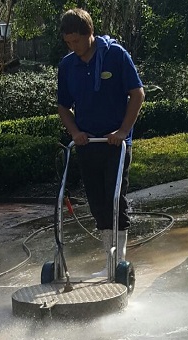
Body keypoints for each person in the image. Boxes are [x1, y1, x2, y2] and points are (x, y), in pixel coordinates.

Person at [57, 8, 145, 277]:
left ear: (89, 33)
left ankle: (117, 263)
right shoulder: (67, 65)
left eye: (77, 41)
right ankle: (109, 262)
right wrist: (74, 132)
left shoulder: (115, 56)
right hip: (87, 143)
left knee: (115, 198)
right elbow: (63, 106)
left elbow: (137, 94)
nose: (74, 47)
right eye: (68, 42)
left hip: (115, 144)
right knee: (97, 202)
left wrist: (122, 131)